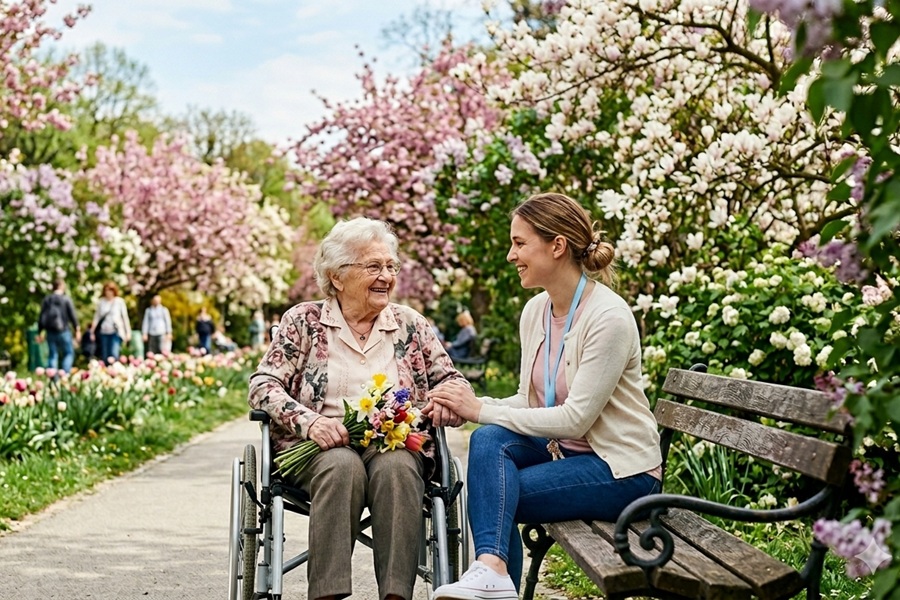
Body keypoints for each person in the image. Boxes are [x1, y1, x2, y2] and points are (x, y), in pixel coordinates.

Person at [427, 193, 663, 600]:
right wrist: (472, 404)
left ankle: (491, 575)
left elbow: (576, 420)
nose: (510, 255)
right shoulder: (535, 311)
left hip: (622, 470)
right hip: (567, 456)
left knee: (499, 494)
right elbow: (528, 399)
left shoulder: (608, 317)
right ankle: (493, 573)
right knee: (488, 440)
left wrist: (480, 409)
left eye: (519, 243)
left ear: (557, 246)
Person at [248, 217, 467, 600]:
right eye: (373, 266)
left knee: (398, 466)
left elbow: (452, 380)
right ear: (337, 277)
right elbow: (262, 385)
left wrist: (445, 402)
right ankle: (328, 595)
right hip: (321, 449)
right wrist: (310, 421)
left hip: (396, 444)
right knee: (342, 465)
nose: (386, 276)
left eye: (390, 266)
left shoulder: (409, 324)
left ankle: (396, 596)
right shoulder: (304, 322)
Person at [36, 279, 80, 374]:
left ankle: (53, 378)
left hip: (50, 331)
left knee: (53, 355)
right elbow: (73, 315)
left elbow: (41, 317)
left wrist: (40, 333)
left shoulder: (47, 299)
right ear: (62, 286)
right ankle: (65, 375)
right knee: (68, 353)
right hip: (64, 330)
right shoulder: (66, 299)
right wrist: (77, 329)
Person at [89, 281, 131, 364]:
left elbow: (125, 318)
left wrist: (128, 332)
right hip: (104, 331)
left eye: (110, 290)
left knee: (114, 354)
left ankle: (114, 373)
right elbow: (97, 317)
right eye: (106, 290)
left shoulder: (119, 302)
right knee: (105, 355)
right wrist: (92, 332)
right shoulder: (101, 302)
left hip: (116, 331)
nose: (108, 292)